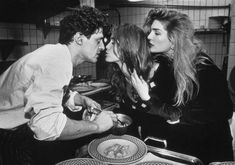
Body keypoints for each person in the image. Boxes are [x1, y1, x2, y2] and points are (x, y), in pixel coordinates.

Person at [105, 8, 234, 164]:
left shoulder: (204, 69)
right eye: (150, 31)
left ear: (175, 38)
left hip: (212, 147)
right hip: (187, 145)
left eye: (157, 33)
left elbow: (221, 111)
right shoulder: (167, 64)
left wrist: (148, 99)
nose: (149, 37)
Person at [0, 6, 117, 165]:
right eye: (98, 40)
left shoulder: (57, 54)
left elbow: (50, 93)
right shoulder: (57, 61)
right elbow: (46, 128)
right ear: (79, 38)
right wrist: (97, 125)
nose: (102, 47)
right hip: (6, 136)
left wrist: (81, 100)